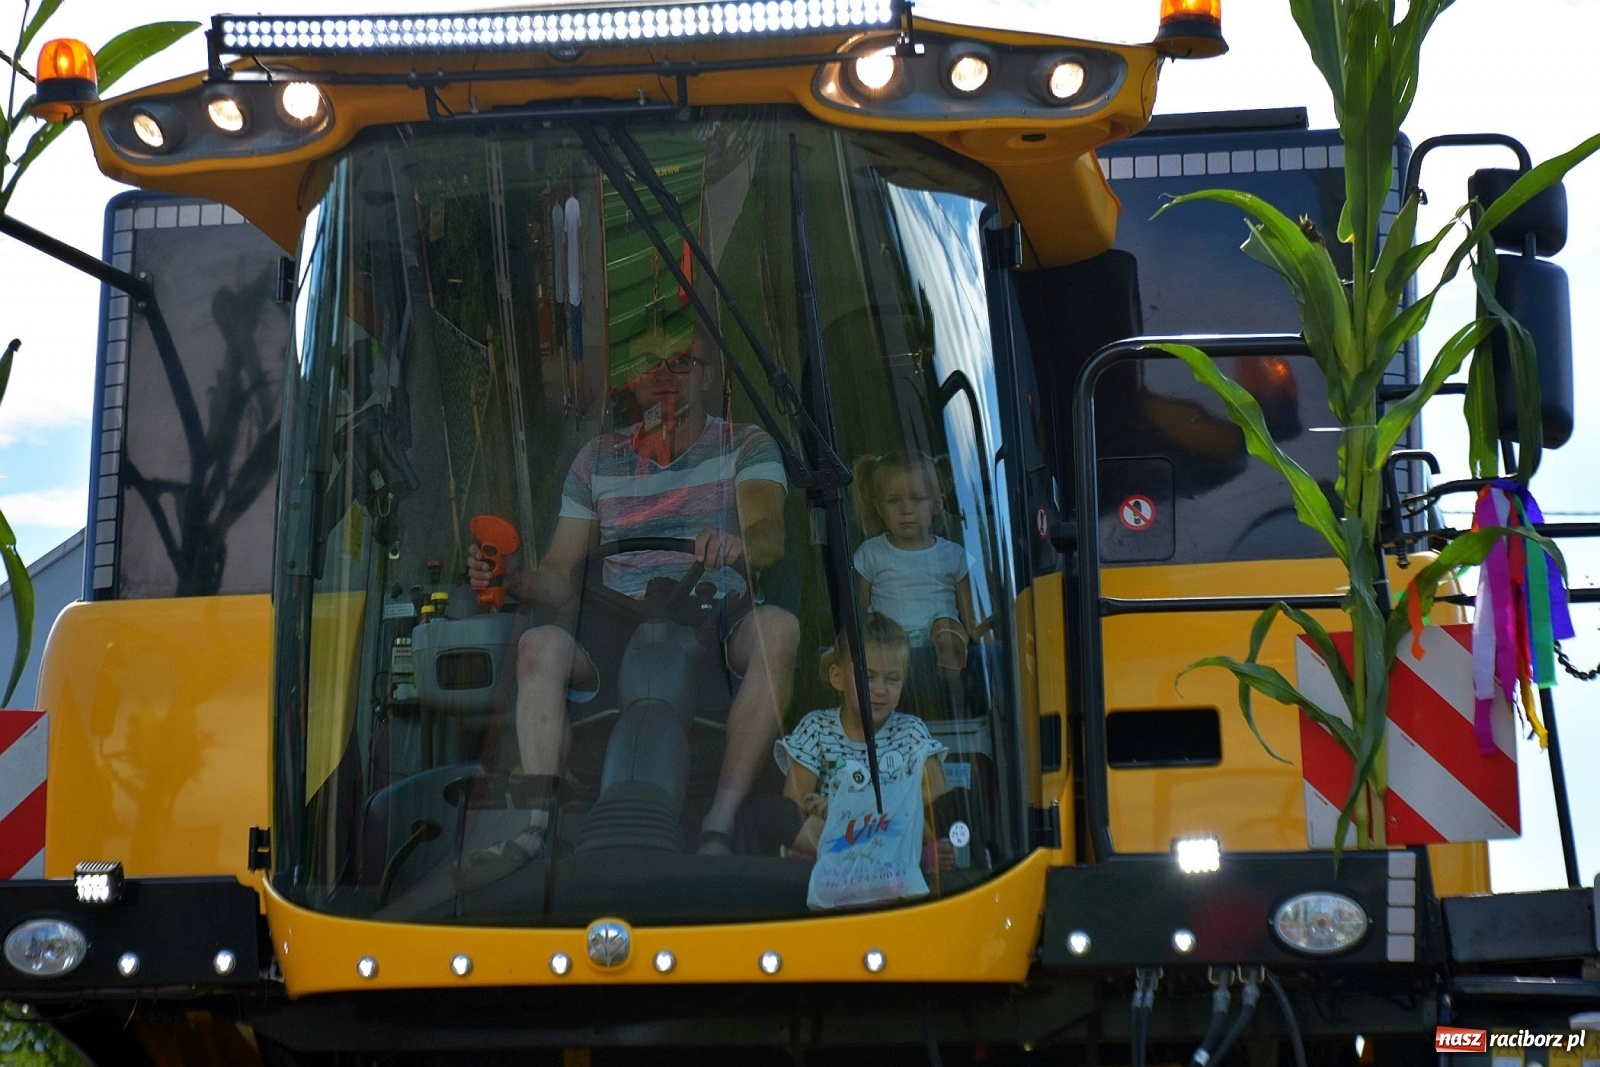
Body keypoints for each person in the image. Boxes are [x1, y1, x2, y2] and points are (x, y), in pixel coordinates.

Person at [468, 330, 799, 865]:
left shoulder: (746, 443)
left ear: (709, 375)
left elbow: (770, 536)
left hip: (714, 623)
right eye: (648, 366)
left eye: (681, 363)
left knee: (779, 630)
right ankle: (538, 827)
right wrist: (509, 578)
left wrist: (739, 543)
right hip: (616, 621)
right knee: (539, 646)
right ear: (632, 382)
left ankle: (720, 820)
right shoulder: (596, 458)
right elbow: (560, 571)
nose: (664, 377)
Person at [774, 614, 950, 867]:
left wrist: (853, 807)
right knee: (777, 814)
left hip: (884, 829)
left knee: (943, 810)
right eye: (868, 677)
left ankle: (866, 853)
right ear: (838, 678)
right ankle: (897, 856)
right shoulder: (816, 727)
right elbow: (796, 801)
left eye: (892, 679)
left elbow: (936, 796)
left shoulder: (910, 731)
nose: (880, 690)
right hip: (836, 832)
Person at [851, 451, 984, 702]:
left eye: (918, 499)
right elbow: (858, 612)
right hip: (889, 638)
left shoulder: (954, 554)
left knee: (946, 626)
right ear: (879, 507)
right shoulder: (870, 553)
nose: (906, 510)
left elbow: (971, 620)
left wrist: (992, 640)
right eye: (893, 501)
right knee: (874, 631)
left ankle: (949, 679)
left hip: (941, 632)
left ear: (937, 504)